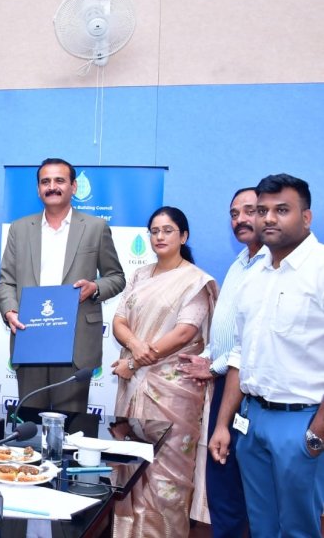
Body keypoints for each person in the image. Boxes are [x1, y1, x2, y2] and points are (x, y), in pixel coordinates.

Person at [209, 174, 324, 538]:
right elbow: (240, 353)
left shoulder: (320, 269)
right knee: (261, 527)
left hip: (301, 423)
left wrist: (316, 434)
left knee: (298, 530)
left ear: (306, 217)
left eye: (282, 210)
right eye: (262, 210)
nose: (269, 218)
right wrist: (223, 424)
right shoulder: (254, 273)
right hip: (252, 420)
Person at [110, 206, 217, 537]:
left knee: (167, 479)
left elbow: (184, 333)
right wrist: (136, 348)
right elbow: (119, 321)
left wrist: (135, 361)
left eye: (168, 230)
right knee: (129, 470)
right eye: (154, 231)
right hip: (133, 387)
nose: (159, 236)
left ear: (183, 236)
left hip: (175, 392)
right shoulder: (140, 275)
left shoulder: (195, 281)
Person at [0, 158, 125, 412]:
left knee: (71, 423)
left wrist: (94, 288)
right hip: (30, 337)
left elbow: (116, 277)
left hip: (75, 343)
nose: (52, 187)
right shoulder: (19, 229)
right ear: (38, 189)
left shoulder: (96, 227)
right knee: (30, 420)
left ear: (73, 187)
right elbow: (6, 281)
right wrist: (10, 310)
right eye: (45, 182)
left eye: (59, 181)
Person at [178, 188, 264, 536]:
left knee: (253, 490)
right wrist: (207, 358)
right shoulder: (240, 262)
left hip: (254, 395)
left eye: (249, 211)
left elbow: (255, 338)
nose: (240, 219)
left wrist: (214, 366)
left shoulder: (273, 266)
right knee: (223, 483)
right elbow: (226, 327)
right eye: (234, 213)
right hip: (226, 389)